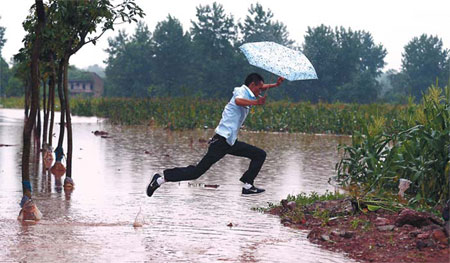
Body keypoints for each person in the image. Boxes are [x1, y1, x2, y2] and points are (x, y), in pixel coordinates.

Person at [147, 73, 284, 196]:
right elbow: (238, 101)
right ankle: (160, 179)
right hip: (220, 141)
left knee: (259, 154)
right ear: (252, 85)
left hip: (230, 142)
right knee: (196, 172)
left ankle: (248, 185)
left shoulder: (250, 93)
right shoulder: (240, 91)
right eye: (259, 88)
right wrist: (256, 102)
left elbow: (262, 86)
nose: (260, 91)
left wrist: (275, 85)